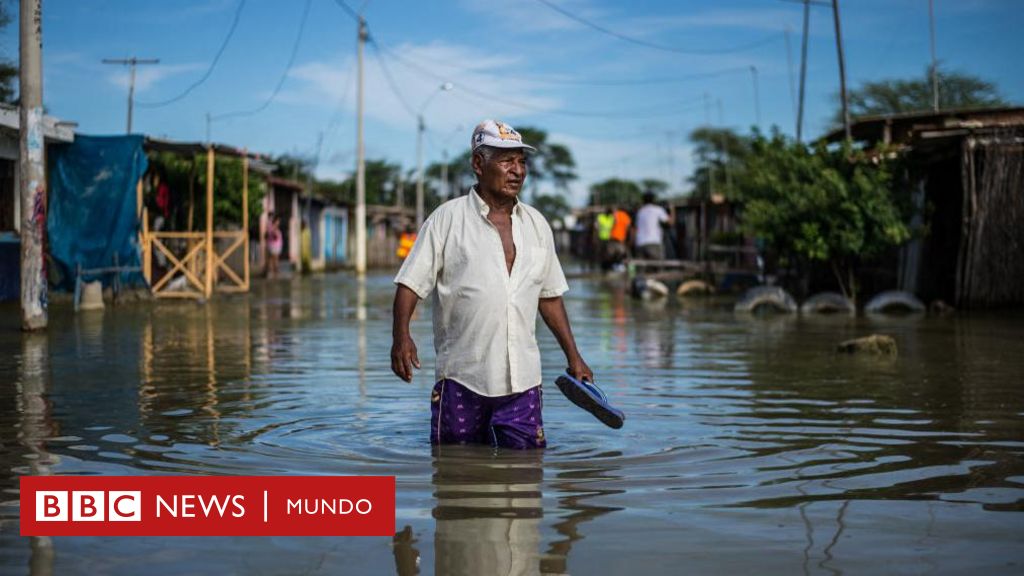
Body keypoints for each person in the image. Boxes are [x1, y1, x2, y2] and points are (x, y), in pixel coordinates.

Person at [391, 119, 593, 450]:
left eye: (522, 162)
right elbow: (410, 284)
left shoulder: (537, 224)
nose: (518, 171)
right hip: (462, 377)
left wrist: (575, 357)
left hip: (523, 380)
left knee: (526, 479)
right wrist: (401, 337)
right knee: (454, 472)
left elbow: (550, 297)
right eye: (506, 161)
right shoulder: (447, 219)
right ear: (477, 164)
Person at [634, 192, 670, 261]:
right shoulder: (658, 210)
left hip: (640, 243)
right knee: (657, 268)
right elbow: (670, 223)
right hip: (654, 242)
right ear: (653, 200)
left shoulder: (640, 212)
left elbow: (636, 228)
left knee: (642, 269)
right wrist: (672, 209)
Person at [266, 213, 282, 279]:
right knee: (275, 260)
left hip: (273, 246)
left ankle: (272, 273)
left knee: (273, 260)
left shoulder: (271, 226)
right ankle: (274, 274)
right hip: (274, 246)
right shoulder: (273, 227)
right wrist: (276, 233)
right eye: (278, 221)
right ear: (275, 221)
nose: (279, 222)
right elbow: (274, 236)